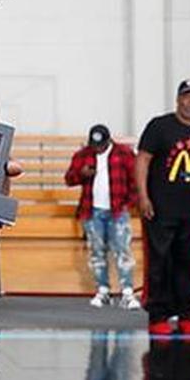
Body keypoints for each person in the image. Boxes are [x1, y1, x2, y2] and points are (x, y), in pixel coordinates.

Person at [136, 79, 190, 337]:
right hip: (161, 209)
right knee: (160, 262)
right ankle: (158, 315)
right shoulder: (160, 127)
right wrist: (143, 196)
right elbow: (143, 161)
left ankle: (187, 314)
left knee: (188, 263)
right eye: (187, 97)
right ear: (178, 99)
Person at [64, 123, 140, 308]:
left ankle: (127, 292)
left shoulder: (124, 154)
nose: (97, 149)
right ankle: (103, 290)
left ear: (108, 141)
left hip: (117, 210)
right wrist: (81, 174)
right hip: (92, 211)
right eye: (94, 146)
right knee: (97, 252)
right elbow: (69, 179)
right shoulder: (83, 155)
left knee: (122, 251)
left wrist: (128, 203)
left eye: (101, 145)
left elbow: (136, 179)